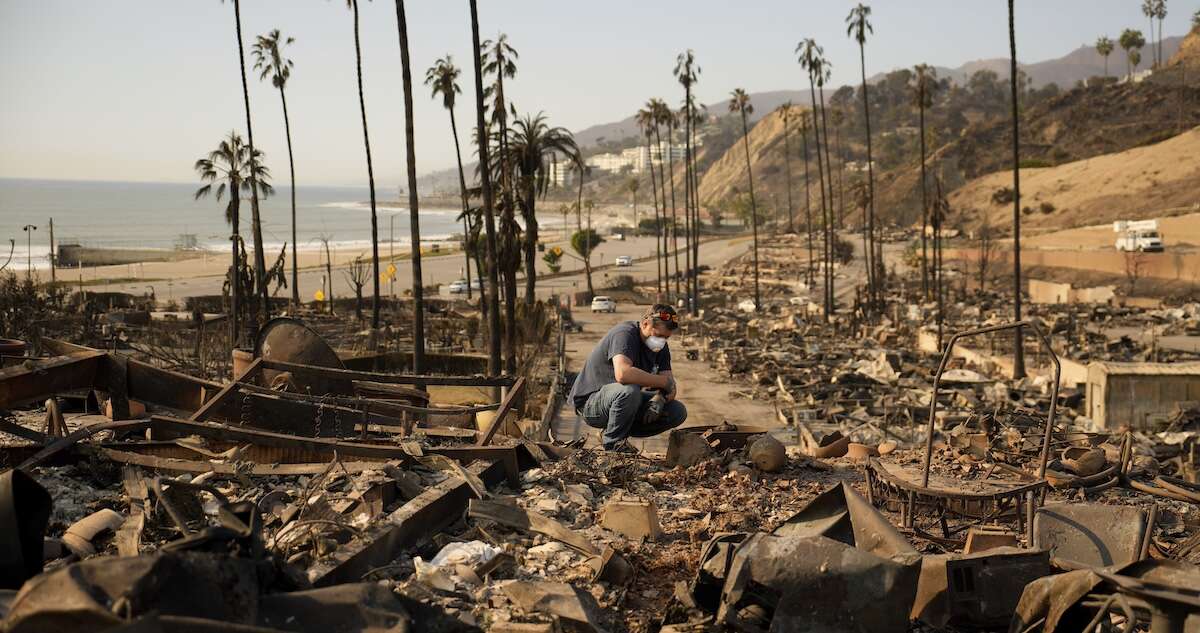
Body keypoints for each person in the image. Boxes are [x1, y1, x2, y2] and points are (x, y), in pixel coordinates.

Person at [568, 304, 688, 453]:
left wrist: (661, 399)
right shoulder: (625, 334)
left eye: (666, 337)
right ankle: (613, 445)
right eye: (658, 335)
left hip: (622, 402)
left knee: (677, 411)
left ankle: (612, 432)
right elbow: (623, 374)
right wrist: (663, 383)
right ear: (645, 323)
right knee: (629, 391)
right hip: (592, 403)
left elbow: (671, 387)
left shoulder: (661, 348)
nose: (662, 341)